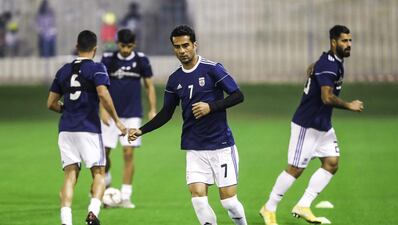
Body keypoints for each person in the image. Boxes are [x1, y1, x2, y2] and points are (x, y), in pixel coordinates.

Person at [128, 25, 248, 225]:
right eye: (177, 47)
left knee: (229, 203)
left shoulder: (212, 69)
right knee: (199, 200)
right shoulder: (175, 79)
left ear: (195, 45)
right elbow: (166, 113)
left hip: (221, 146)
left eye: (186, 45)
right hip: (194, 148)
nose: (182, 51)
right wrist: (141, 130)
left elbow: (238, 95)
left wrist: (211, 107)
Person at [259, 25, 364, 225]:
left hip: (323, 126)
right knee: (295, 169)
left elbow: (323, 64)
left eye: (350, 40)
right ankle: (268, 208)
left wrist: (316, 64)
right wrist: (349, 105)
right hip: (306, 126)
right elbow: (326, 97)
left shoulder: (332, 61)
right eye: (344, 41)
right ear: (334, 42)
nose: (349, 44)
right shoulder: (329, 64)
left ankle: (303, 205)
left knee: (331, 163)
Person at [47, 30, 127, 225]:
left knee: (70, 175)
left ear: (77, 47)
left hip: (66, 129)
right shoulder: (97, 68)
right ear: (95, 49)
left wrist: (67, 109)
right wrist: (116, 119)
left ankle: (66, 221)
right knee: (99, 172)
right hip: (88, 128)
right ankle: (93, 213)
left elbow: (51, 103)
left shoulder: (63, 70)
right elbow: (103, 94)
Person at [100, 28, 157, 208]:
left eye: (129, 46)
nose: (125, 49)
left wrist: (153, 109)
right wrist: (102, 109)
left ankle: (125, 196)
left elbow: (149, 86)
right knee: (104, 154)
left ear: (134, 44)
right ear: (118, 44)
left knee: (128, 153)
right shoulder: (108, 59)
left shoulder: (141, 60)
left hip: (133, 114)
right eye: (123, 46)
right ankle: (107, 183)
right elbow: (100, 87)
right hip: (111, 114)